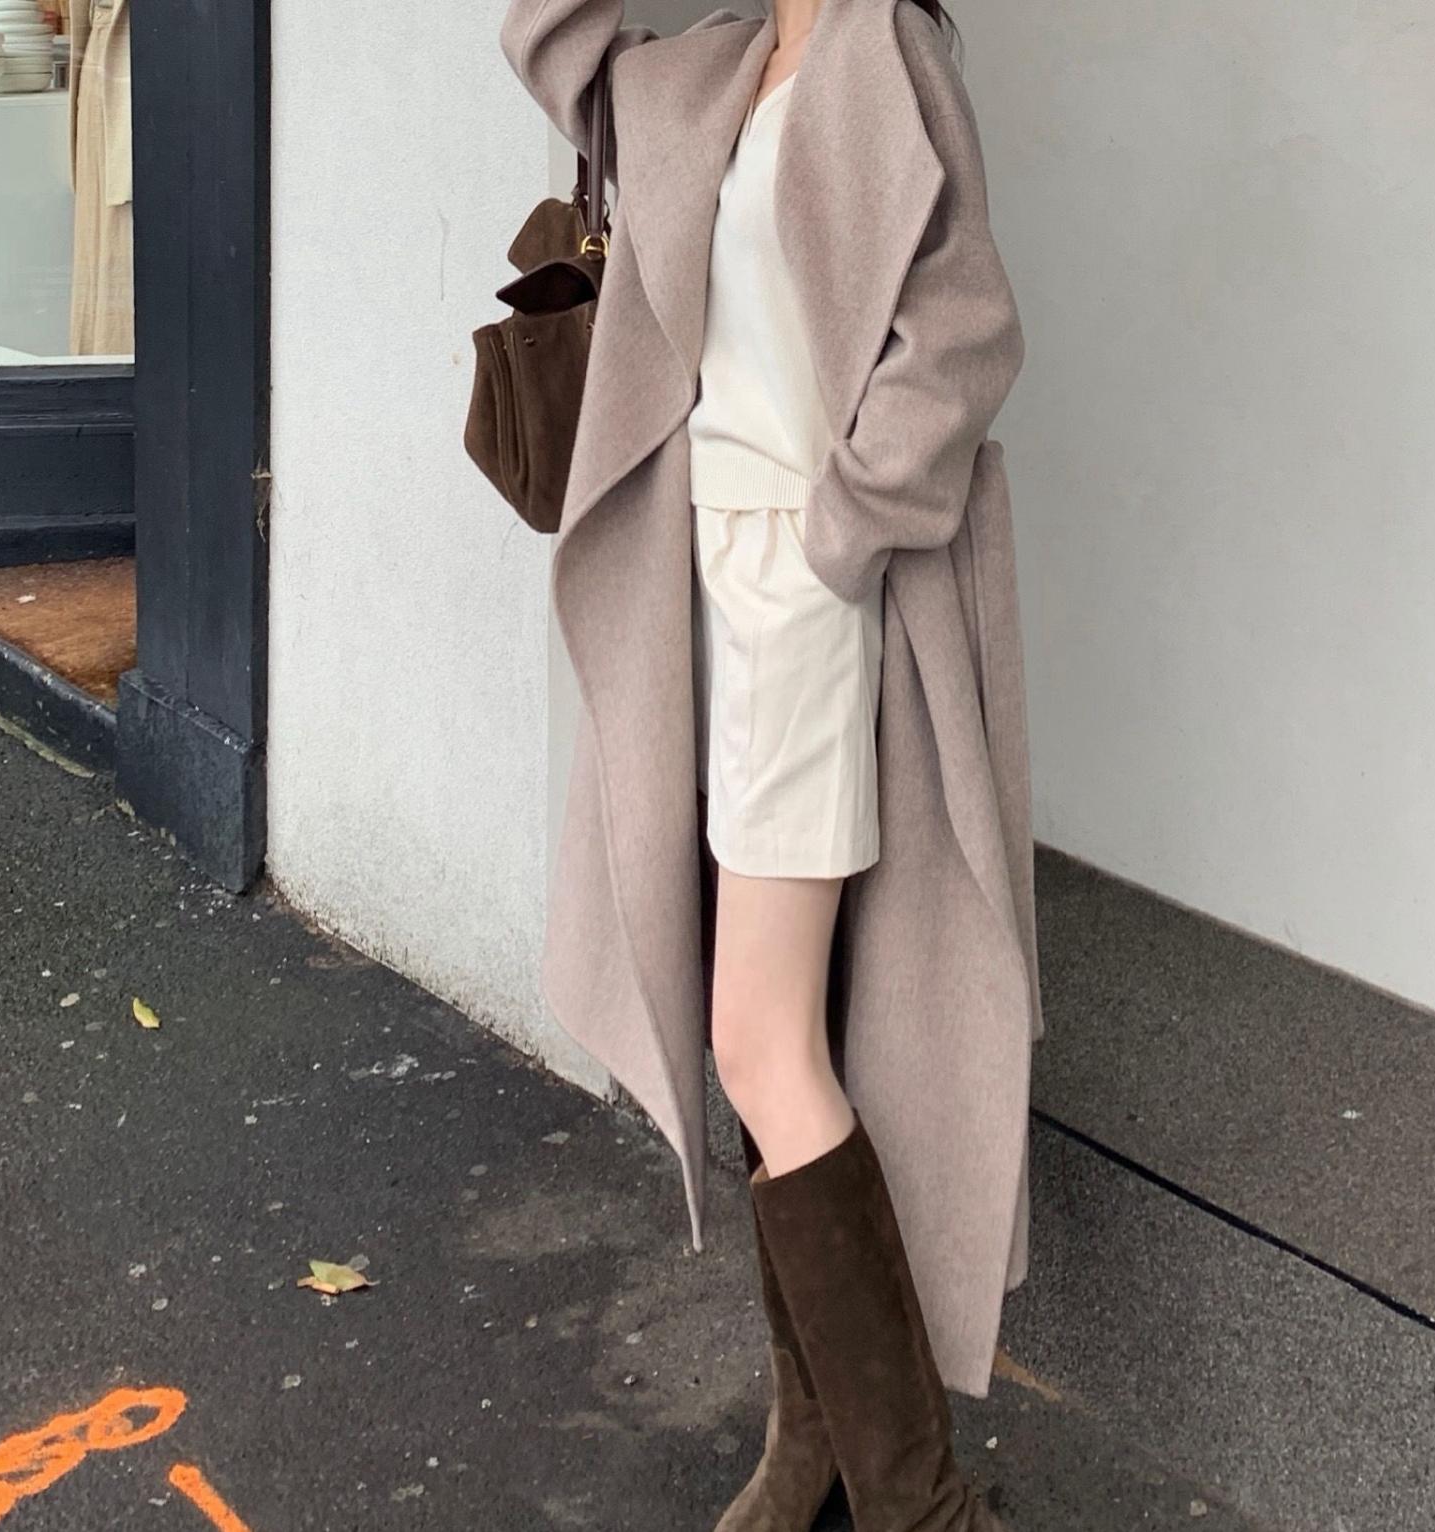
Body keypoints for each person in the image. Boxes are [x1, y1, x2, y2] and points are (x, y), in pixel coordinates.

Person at [500, 0, 1042, 1525]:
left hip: (801, 597)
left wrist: (837, 539)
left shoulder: (887, 50)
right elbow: (549, 42)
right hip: (698, 598)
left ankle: (920, 1502)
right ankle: (813, 1440)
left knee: (762, 1038)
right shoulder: (719, 63)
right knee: (762, 1032)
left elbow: (968, 332)